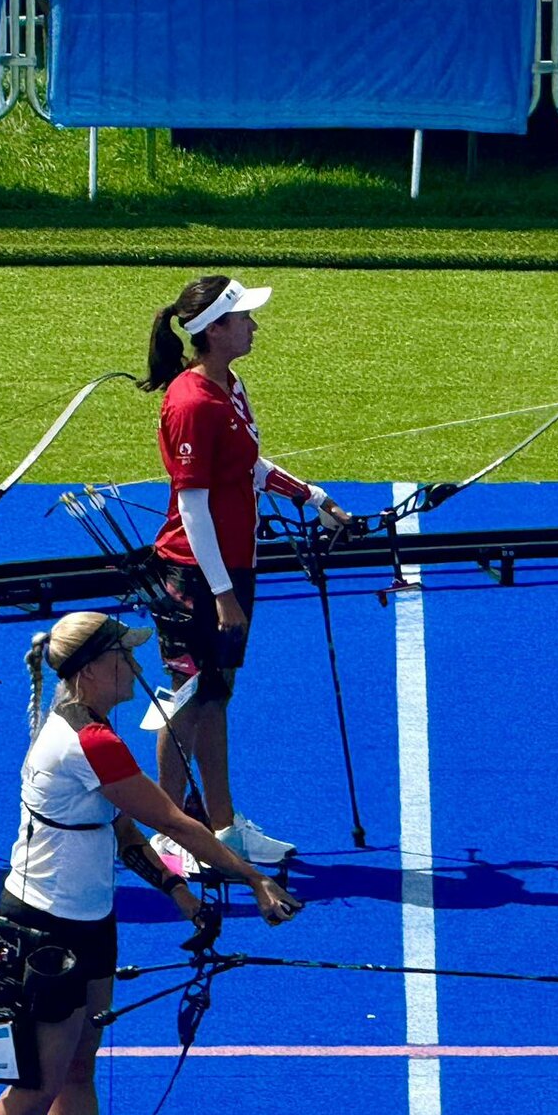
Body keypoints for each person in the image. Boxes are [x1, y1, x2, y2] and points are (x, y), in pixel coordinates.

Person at [0, 611, 303, 1115]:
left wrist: (180, 895)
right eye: (124, 657)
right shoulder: (90, 743)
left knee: (79, 1068)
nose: (134, 666)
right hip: (42, 930)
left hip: (90, 922)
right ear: (91, 671)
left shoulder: (96, 735)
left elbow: (123, 830)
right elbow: (170, 819)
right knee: (34, 1085)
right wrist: (253, 879)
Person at [139, 276, 355, 875]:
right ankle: (170, 831)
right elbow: (192, 506)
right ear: (213, 330)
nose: (254, 327)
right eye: (243, 319)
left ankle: (224, 824)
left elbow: (249, 464)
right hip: (195, 575)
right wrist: (222, 593)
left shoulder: (229, 385)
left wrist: (312, 496)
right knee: (186, 701)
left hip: (230, 569)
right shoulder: (191, 403)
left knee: (215, 696)